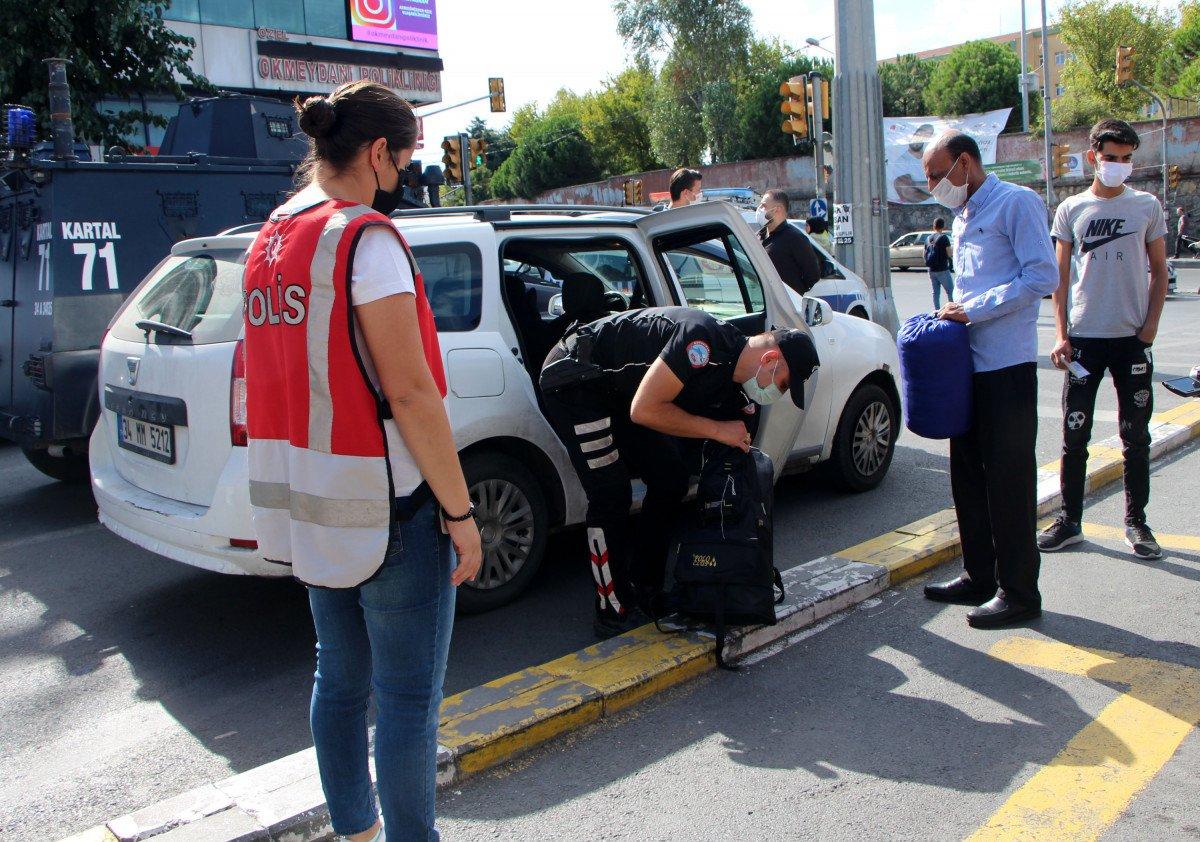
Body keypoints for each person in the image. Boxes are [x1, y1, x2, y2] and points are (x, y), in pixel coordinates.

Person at [242, 80, 483, 842]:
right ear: (378, 153)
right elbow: (410, 395)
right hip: (392, 509)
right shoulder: (364, 240)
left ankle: (356, 831)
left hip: (314, 502)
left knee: (339, 682)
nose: (403, 179)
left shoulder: (271, 239)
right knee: (407, 701)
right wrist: (461, 513)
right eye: (404, 162)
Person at [539, 307, 818, 638]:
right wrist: (716, 429)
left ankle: (645, 585)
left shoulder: (737, 387)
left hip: (623, 392)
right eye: (784, 384)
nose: (779, 393)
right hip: (577, 382)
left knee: (670, 480)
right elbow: (645, 410)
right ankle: (611, 609)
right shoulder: (701, 341)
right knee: (611, 494)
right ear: (770, 359)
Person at [919, 131, 1058, 629]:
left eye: (937, 175)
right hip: (967, 367)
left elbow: (1042, 277)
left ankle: (1019, 591)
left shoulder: (1016, 203)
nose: (933, 186)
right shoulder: (962, 216)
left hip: (1006, 368)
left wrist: (972, 309)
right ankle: (980, 575)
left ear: (964, 163)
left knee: (1008, 483)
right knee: (968, 479)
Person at [1038, 119, 1169, 559]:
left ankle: (1137, 523)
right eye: (1111, 157)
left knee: (1136, 437)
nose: (1119, 165)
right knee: (1074, 436)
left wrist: (1149, 327)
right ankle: (1069, 521)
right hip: (1084, 341)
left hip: (1131, 340)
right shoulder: (1071, 208)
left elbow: (1160, 271)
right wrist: (1061, 334)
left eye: (1127, 158)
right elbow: (1059, 278)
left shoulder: (1146, 205)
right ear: (1093, 156)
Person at [757, 190, 821, 296]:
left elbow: (812, 276)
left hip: (787, 303)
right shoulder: (758, 237)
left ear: (778, 209)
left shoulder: (795, 238)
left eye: (764, 206)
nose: (759, 210)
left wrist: (793, 292)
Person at [924, 217, 954, 309]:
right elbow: (949, 253)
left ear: (934, 226)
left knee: (935, 292)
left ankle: (936, 311)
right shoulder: (944, 238)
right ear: (943, 226)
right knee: (950, 291)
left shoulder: (928, 238)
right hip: (942, 269)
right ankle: (952, 310)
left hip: (931, 269)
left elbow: (924, 254)